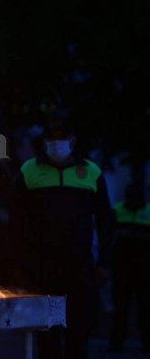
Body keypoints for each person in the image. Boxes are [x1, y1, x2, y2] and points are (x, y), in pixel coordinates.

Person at [7, 118, 114, 359]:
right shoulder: (29, 171)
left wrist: (104, 263)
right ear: (44, 141)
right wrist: (18, 265)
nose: (58, 143)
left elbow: (105, 221)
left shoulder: (91, 172)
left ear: (73, 140)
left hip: (80, 266)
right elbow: (15, 223)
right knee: (47, 336)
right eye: (52, 138)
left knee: (79, 334)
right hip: (41, 267)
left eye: (62, 138)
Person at [108, 183, 150, 353]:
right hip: (121, 267)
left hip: (145, 268)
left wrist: (132, 235)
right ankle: (117, 341)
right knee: (121, 306)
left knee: (145, 307)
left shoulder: (148, 211)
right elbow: (108, 232)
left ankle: (146, 341)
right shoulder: (117, 210)